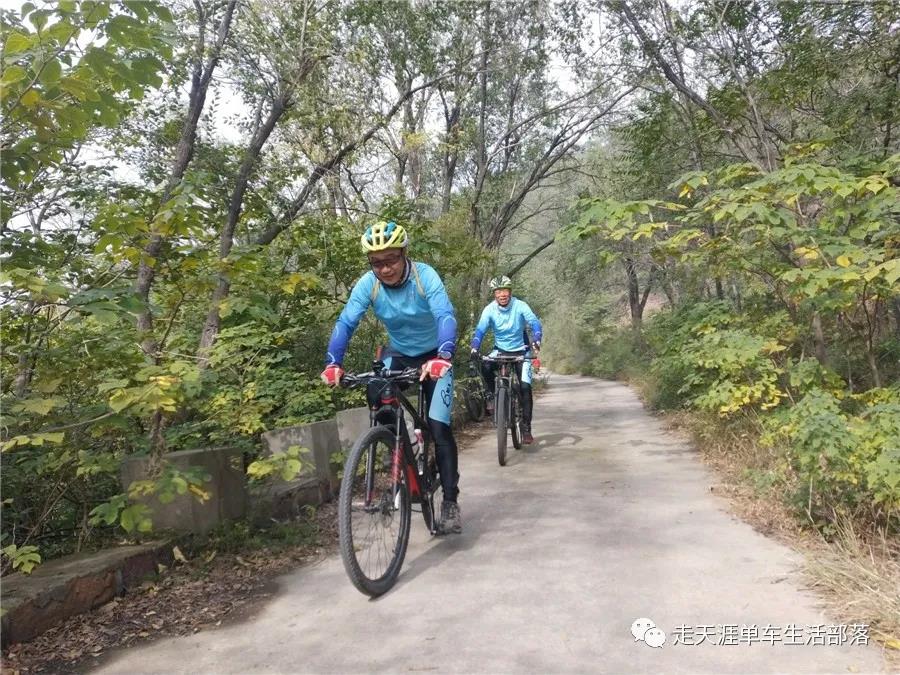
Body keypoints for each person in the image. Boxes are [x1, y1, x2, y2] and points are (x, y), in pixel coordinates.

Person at [320, 220, 462, 534]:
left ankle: (450, 502)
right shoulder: (367, 284)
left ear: (404, 254)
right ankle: (403, 442)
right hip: (399, 353)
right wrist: (333, 362)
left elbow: (445, 315)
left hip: (436, 354)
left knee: (439, 428)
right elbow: (346, 323)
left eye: (391, 260)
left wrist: (444, 355)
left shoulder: (425, 277)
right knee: (376, 391)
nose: (384, 269)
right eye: (376, 263)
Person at [470, 275, 542, 444]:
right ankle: (491, 396)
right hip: (500, 350)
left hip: (521, 350)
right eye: (498, 291)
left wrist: (537, 338)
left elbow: (534, 322)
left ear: (510, 292)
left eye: (505, 291)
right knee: (485, 365)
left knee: (525, 387)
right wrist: (474, 347)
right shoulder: (489, 309)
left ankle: (526, 428)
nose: (502, 294)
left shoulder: (520, 306)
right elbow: (480, 331)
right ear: (494, 294)